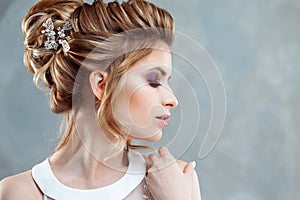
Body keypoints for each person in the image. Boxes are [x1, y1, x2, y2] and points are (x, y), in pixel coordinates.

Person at [0, 0, 201, 199]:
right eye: (154, 81)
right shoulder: (20, 192)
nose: (172, 100)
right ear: (101, 85)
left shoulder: (176, 182)